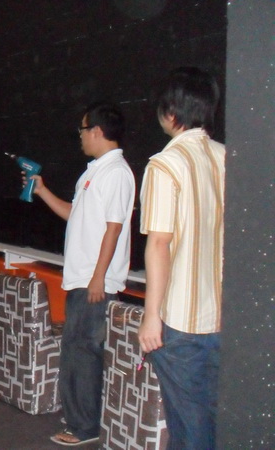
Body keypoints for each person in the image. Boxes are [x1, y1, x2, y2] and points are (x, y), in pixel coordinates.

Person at [28, 102, 136, 446]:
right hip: (83, 278)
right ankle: (77, 419)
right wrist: (42, 190)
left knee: (85, 352)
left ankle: (85, 426)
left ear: (97, 131)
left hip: (94, 281)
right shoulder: (93, 172)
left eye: (83, 129)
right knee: (75, 349)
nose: (80, 136)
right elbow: (74, 214)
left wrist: (98, 277)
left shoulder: (116, 172)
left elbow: (114, 228)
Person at [138, 67, 224, 450]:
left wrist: (150, 315)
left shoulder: (164, 165)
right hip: (225, 317)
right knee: (216, 419)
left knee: (189, 426)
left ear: (171, 113)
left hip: (182, 322)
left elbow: (159, 243)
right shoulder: (229, 158)